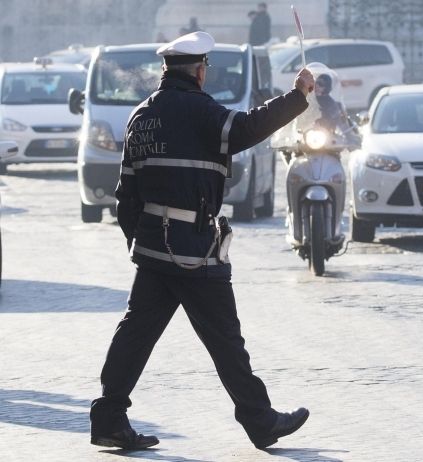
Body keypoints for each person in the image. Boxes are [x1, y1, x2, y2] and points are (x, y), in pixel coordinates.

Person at [89, 31, 315, 451]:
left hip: (155, 248)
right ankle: (260, 420)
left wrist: (140, 245)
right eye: (205, 67)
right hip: (194, 249)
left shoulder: (140, 116)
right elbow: (248, 127)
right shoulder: (202, 111)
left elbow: (126, 194)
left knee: (134, 335)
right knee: (226, 339)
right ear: (198, 71)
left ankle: (108, 418)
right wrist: (297, 95)